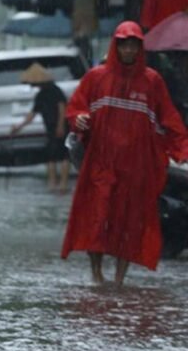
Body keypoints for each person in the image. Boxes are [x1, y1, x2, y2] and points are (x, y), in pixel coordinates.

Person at [61, 21, 188, 286]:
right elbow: (75, 108)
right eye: (124, 45)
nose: (128, 50)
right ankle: (97, 275)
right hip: (101, 164)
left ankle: (118, 280)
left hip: (135, 168)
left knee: (129, 224)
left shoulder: (152, 82)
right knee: (97, 218)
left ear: (139, 48)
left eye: (133, 45)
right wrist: (80, 119)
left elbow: (170, 118)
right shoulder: (96, 78)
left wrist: (182, 149)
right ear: (115, 46)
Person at [10, 62, 70, 193]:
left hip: (61, 126)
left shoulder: (56, 91)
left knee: (64, 155)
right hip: (50, 128)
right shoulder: (40, 95)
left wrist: (61, 126)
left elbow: (62, 109)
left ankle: (63, 184)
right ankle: (53, 183)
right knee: (51, 156)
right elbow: (31, 115)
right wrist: (19, 127)